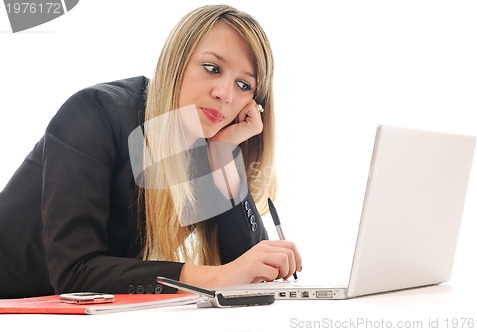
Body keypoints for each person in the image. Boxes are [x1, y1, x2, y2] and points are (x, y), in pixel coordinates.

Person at [0, 4, 302, 299]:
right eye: (212, 68)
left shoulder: (204, 146)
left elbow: (247, 268)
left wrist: (223, 155)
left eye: (243, 85)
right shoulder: (94, 114)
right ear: (177, 60)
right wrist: (215, 277)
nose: (224, 94)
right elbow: (75, 273)